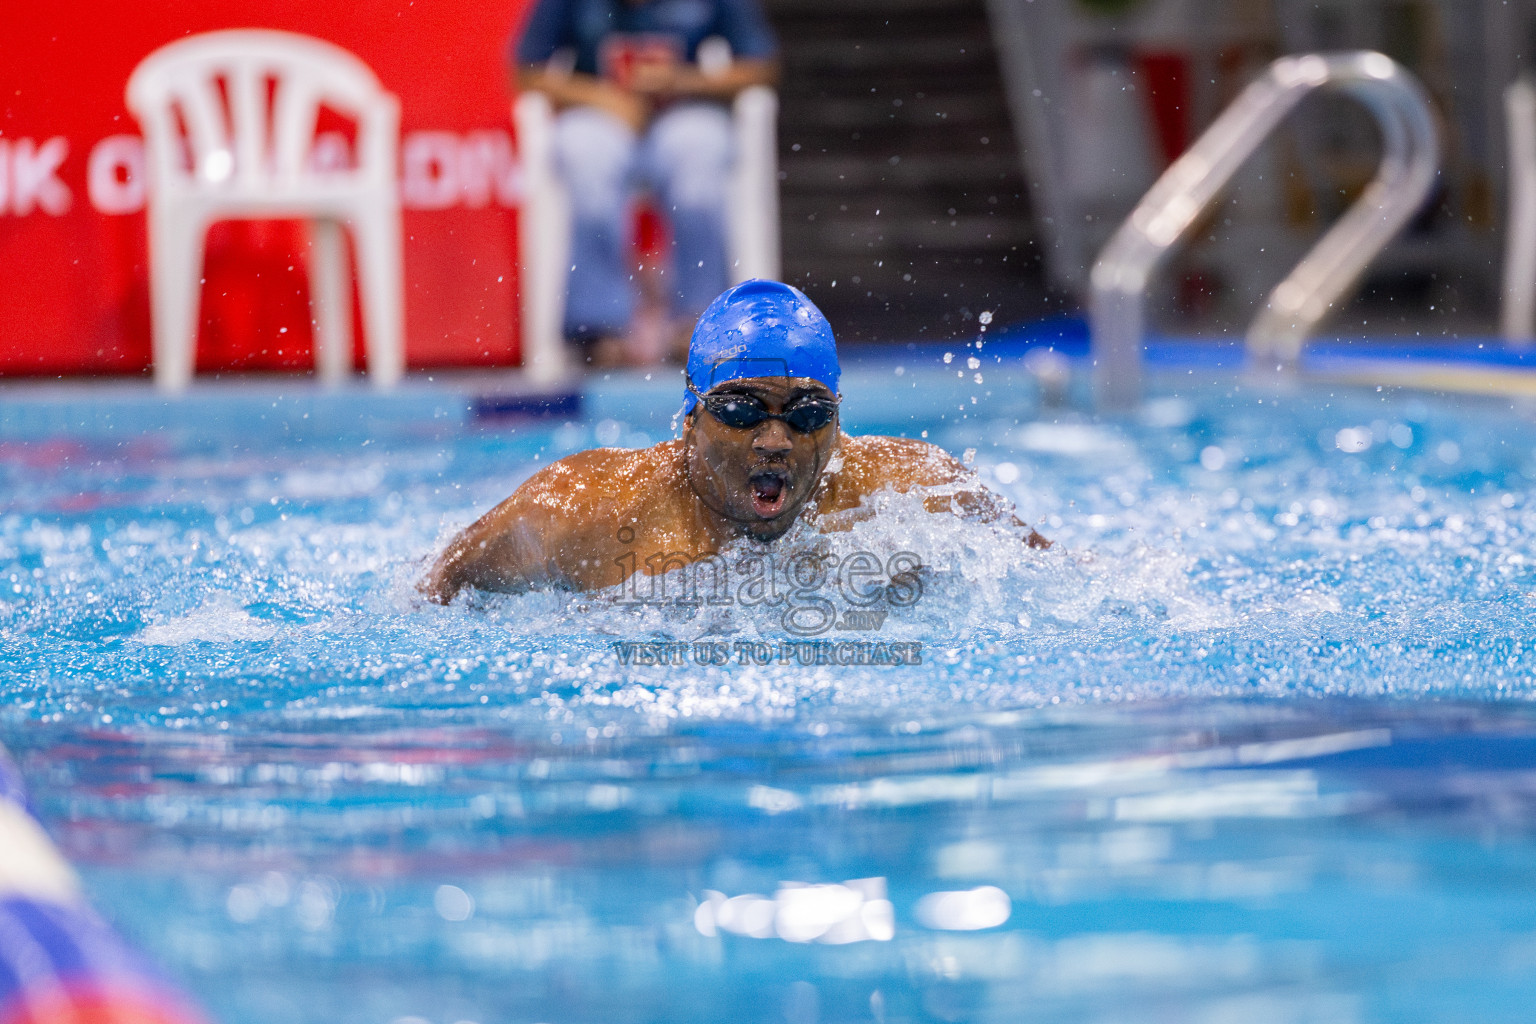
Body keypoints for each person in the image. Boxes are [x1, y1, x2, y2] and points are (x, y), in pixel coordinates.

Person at [422, 280, 1048, 603]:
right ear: (690, 415)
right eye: (743, 409)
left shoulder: (913, 492)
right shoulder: (581, 510)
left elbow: (1057, 581)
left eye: (806, 415)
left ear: (837, 420)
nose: (775, 439)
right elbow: (434, 594)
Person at [512, 0, 780, 366]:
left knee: (698, 163)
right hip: (599, 115)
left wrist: (681, 81)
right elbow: (527, 69)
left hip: (685, 110)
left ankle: (699, 323)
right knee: (587, 162)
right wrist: (602, 97)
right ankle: (597, 330)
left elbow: (760, 66)